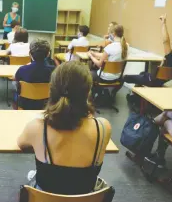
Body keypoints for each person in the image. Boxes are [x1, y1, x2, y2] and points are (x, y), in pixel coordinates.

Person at [17, 61, 112, 195]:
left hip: (45, 197)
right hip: (85, 196)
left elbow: (21, 144)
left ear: (51, 89)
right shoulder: (103, 127)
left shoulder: (37, 127)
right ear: (88, 92)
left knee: (34, 177)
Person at [123, 14, 172, 87]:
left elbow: (166, 40)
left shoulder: (170, 57)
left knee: (125, 77)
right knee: (142, 73)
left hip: (151, 80)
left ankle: (132, 97)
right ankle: (135, 96)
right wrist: (162, 64)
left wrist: (163, 23)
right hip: (159, 83)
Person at [14, 39, 54, 110]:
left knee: (15, 94)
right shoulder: (54, 71)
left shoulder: (22, 69)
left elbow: (16, 80)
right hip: (47, 104)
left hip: (26, 105)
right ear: (48, 54)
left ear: (30, 53)